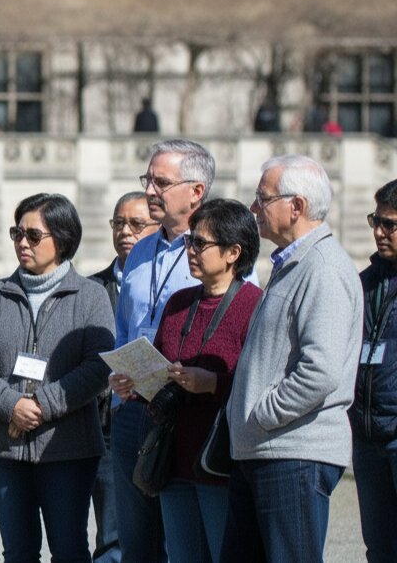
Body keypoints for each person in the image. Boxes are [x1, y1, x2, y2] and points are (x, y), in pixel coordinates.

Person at [222, 154, 363, 562]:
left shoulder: (322, 267)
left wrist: (261, 414)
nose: (253, 209)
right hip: (266, 451)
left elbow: (319, 371)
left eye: (262, 198)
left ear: (296, 206)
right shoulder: (293, 265)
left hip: (292, 452)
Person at [0, 193, 113, 562]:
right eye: (17, 233)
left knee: (69, 548)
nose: (22, 243)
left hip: (68, 447)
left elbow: (98, 366)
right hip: (2, 445)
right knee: (18, 551)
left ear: (62, 239)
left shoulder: (90, 296)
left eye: (33, 235)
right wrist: (11, 404)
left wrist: (42, 405)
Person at [113, 199, 263, 563]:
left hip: (219, 462)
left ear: (233, 252)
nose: (190, 251)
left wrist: (213, 383)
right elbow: (164, 373)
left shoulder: (256, 304)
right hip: (173, 459)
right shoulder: (179, 302)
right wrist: (136, 386)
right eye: (189, 241)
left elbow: (259, 382)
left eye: (201, 243)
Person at [111, 139, 215, 563]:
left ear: (196, 191)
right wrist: (117, 375)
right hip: (132, 408)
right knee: (135, 543)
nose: (150, 190)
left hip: (184, 412)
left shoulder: (218, 250)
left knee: (184, 543)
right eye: (147, 179)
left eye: (161, 182)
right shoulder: (139, 250)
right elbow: (124, 328)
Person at [87, 191, 159, 563]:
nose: (125, 231)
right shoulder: (91, 288)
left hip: (162, 419)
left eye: (136, 223)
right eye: (119, 223)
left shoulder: (176, 282)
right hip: (109, 424)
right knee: (114, 536)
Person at [351, 179, 397, 561]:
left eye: (390, 225)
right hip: (366, 435)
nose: (379, 232)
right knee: (379, 548)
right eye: (375, 221)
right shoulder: (363, 284)